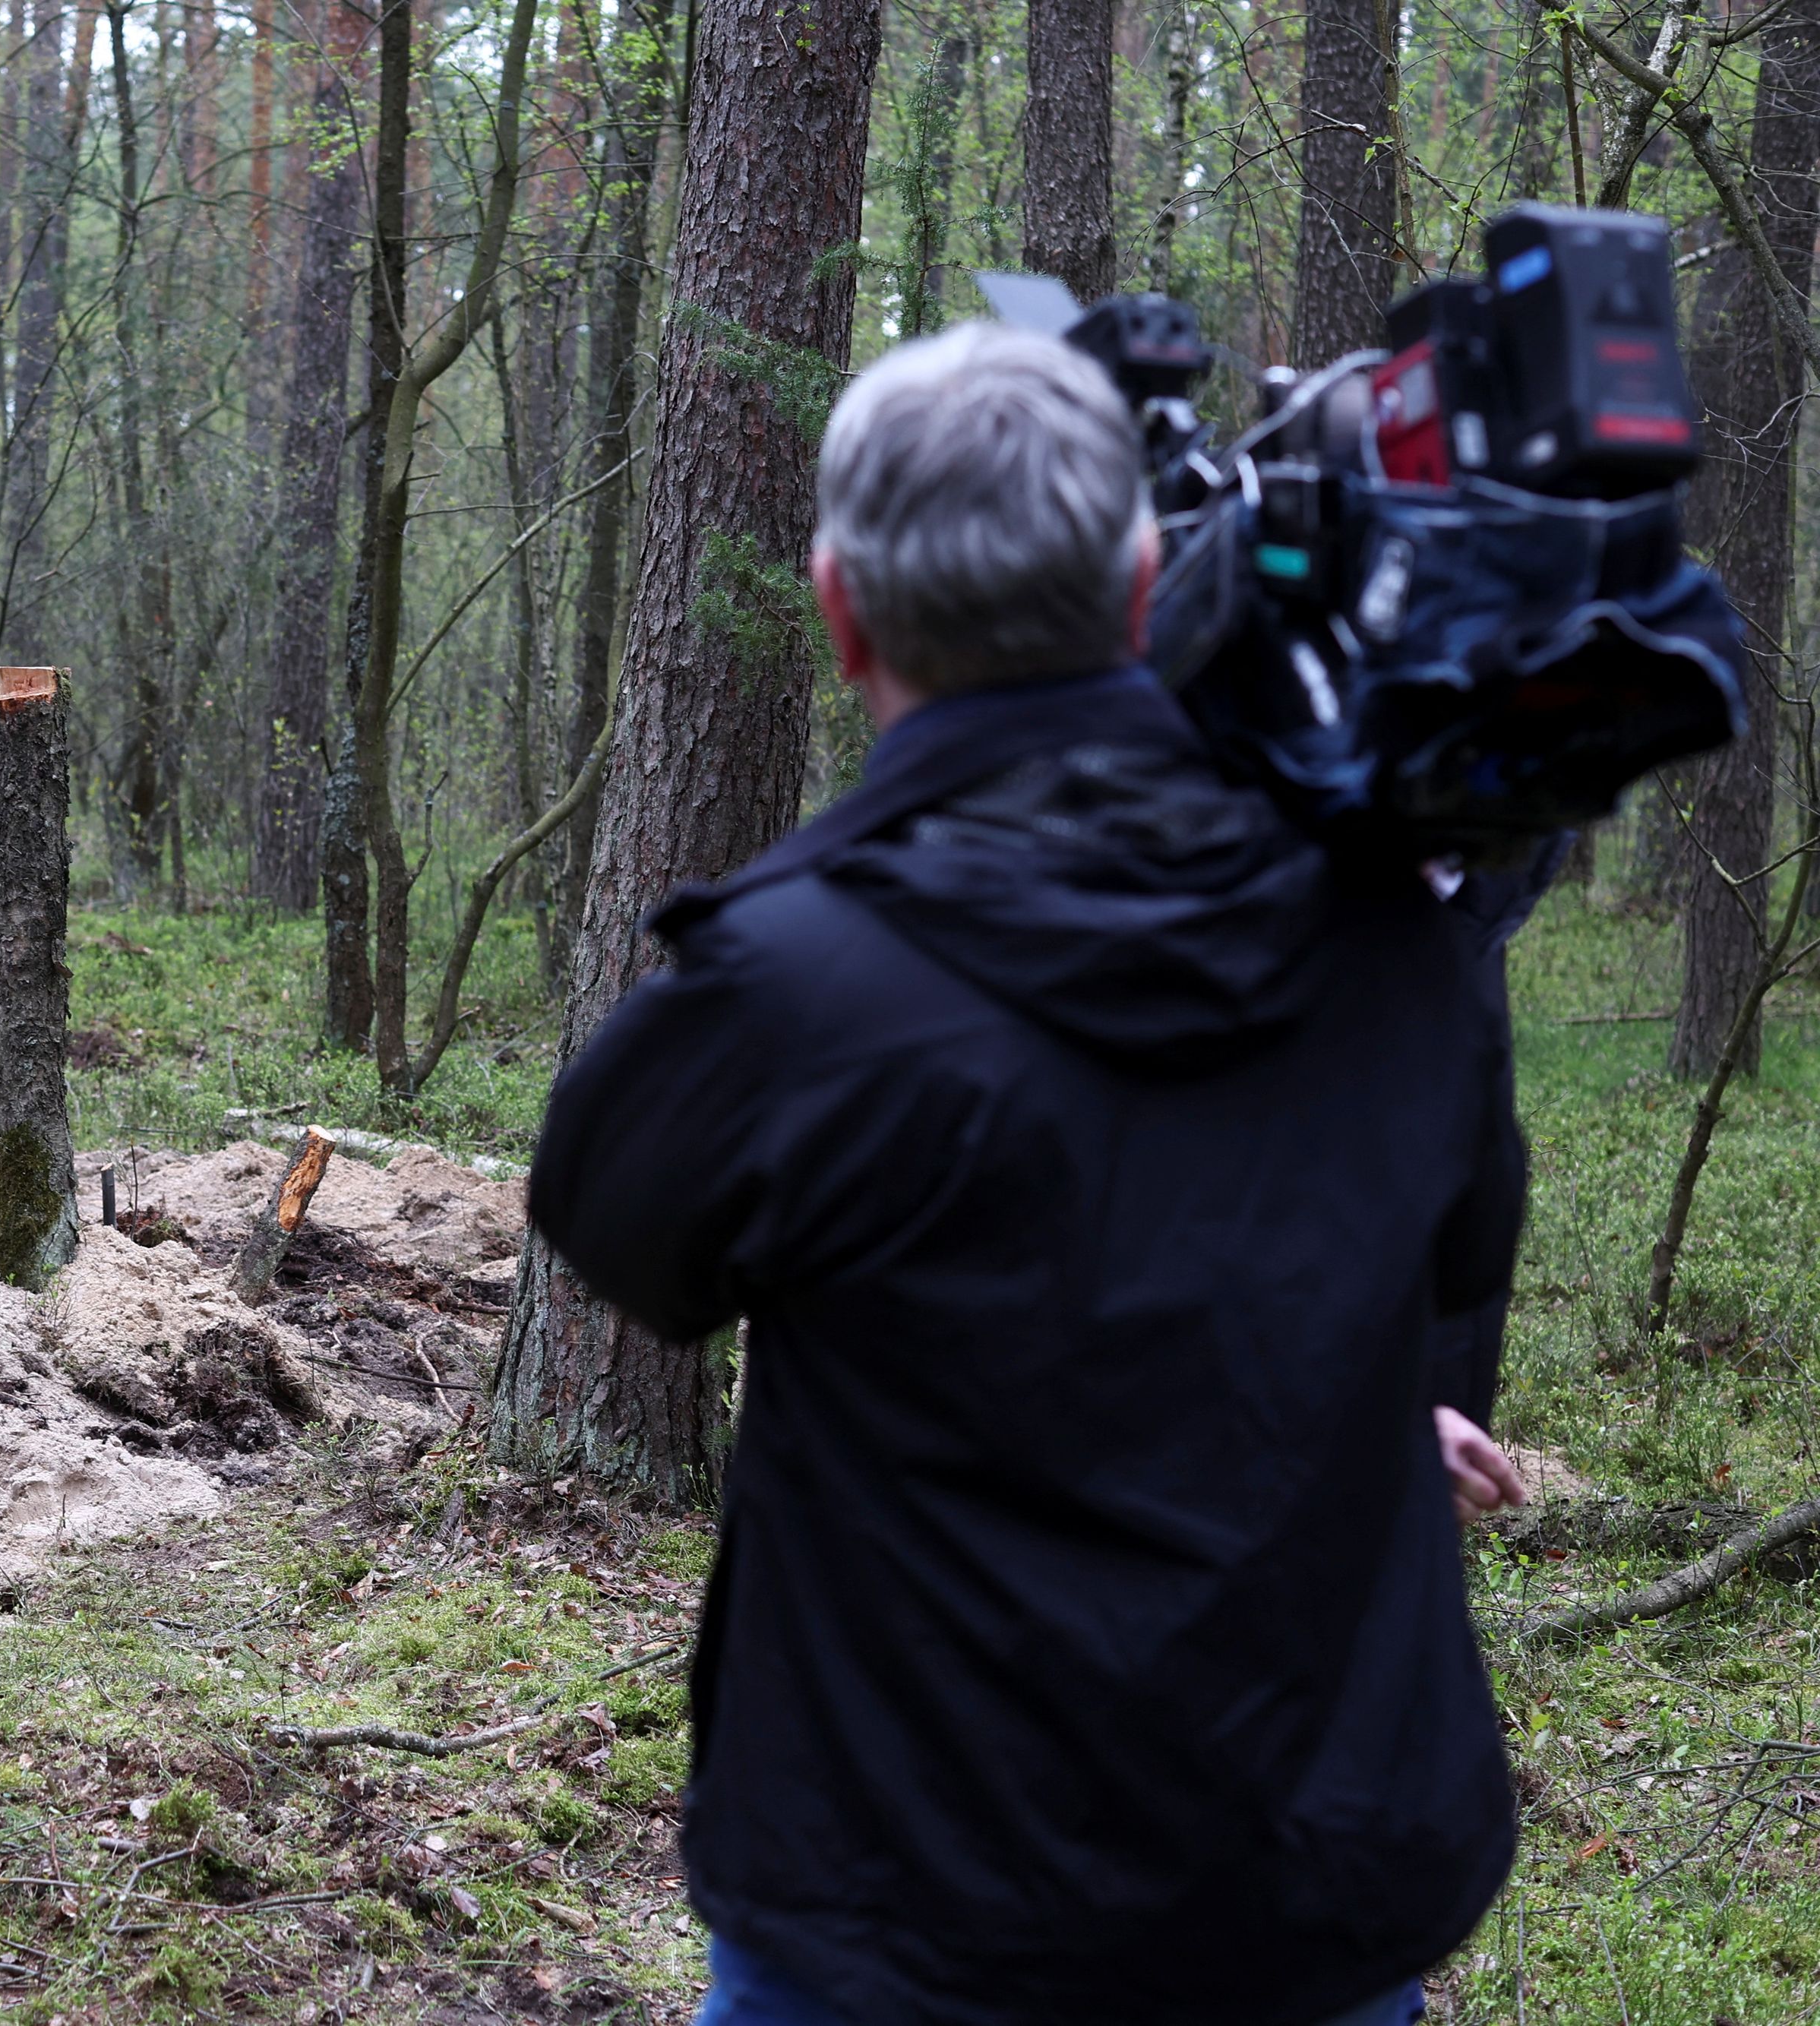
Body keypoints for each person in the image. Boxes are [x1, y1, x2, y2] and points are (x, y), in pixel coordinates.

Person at [527, 322, 1528, 2026]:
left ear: (840, 610)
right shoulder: (1387, 941)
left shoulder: (790, 986)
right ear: (1144, 585)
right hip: (1301, 1897)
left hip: (889, 1914)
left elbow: (614, 1221)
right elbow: (1435, 1246)